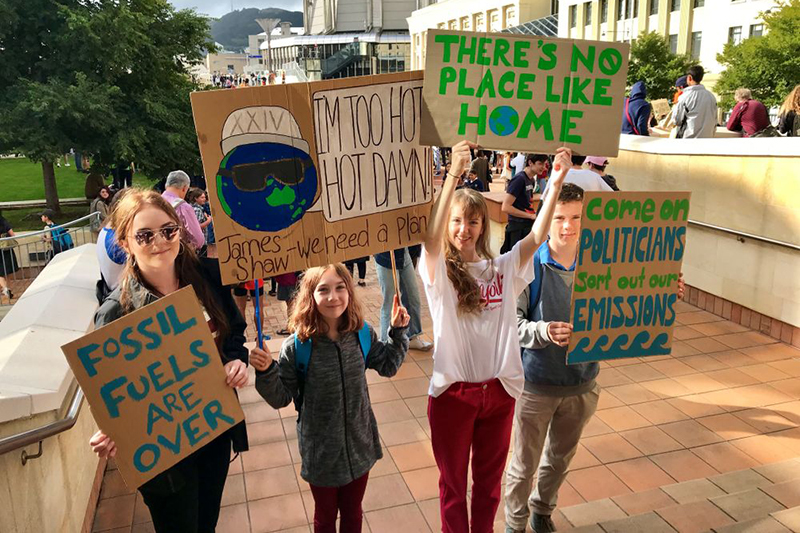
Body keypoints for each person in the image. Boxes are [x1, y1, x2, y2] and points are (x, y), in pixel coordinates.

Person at [503, 184, 685, 533]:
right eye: (558, 218)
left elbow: (631, 304)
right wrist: (543, 332)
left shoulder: (602, 261)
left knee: (559, 460)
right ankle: (515, 524)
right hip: (536, 385)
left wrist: (663, 289)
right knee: (523, 464)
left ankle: (542, 510)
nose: (567, 226)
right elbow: (512, 324)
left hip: (582, 384)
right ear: (546, 217)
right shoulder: (529, 263)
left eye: (575, 217)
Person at [419, 140, 571, 533]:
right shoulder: (437, 272)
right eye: (456, 221)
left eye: (472, 221)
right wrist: (453, 174)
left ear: (483, 225)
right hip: (453, 395)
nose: (463, 229)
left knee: (488, 488)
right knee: (453, 487)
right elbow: (430, 240)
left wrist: (556, 181)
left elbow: (536, 238)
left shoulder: (501, 269)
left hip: (499, 394)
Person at [88, 189, 250, 533]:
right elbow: (114, 389)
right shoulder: (116, 311)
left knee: (206, 523)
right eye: (144, 235)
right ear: (126, 243)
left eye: (168, 230)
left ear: (179, 231)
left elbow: (234, 332)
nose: (159, 241)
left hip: (213, 432)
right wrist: (113, 430)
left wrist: (237, 361)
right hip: (164, 457)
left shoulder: (208, 276)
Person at [251, 264, 409, 533]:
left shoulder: (361, 334)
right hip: (321, 453)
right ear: (310, 296)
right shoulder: (297, 346)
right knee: (325, 518)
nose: (333, 297)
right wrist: (267, 371)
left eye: (339, 288)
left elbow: (388, 365)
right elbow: (280, 397)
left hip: (359, 445)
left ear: (349, 291)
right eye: (323, 290)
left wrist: (397, 333)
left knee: (353, 513)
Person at [374, 248, 433, 351]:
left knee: (413, 297)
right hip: (385, 257)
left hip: (404, 255)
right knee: (391, 302)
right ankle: (386, 344)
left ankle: (412, 336)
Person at [501, 154, 548, 253]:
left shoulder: (531, 180)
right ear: (530, 163)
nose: (543, 168)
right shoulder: (519, 179)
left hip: (526, 226)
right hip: (517, 228)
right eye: (540, 164)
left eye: (544, 164)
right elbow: (506, 207)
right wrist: (529, 216)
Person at [161, 170, 205, 251]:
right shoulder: (183, 207)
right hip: (178, 255)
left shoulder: (153, 203)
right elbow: (198, 240)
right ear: (184, 188)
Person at [541, 155, 612, 201]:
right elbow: (612, 197)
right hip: (588, 221)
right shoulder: (595, 177)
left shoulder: (557, 176)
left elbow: (544, 200)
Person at [674, 65, 718, 139]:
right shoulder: (711, 96)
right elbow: (715, 119)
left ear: (689, 78)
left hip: (689, 139)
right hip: (707, 139)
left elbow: (677, 120)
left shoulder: (685, 97)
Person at [186, 187, 213, 252]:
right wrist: (208, 221)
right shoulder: (197, 210)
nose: (204, 199)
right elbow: (197, 227)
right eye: (202, 197)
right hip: (199, 242)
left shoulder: (191, 208)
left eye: (204, 197)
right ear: (196, 198)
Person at [0, 211, 19, 301]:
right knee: (8, 271)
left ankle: (5, 289)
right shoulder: (3, 221)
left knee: (0, 272)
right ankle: (9, 288)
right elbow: (12, 234)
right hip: (7, 248)